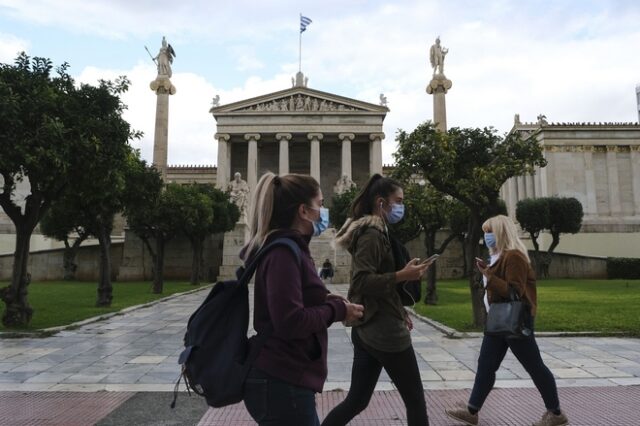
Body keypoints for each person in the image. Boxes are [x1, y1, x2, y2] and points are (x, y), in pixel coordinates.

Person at [241, 172, 364, 426]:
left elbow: (293, 302)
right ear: (303, 211)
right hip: (281, 380)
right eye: (320, 204)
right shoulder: (283, 252)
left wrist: (327, 299)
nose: (323, 210)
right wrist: (336, 311)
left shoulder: (291, 248)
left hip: (284, 378)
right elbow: (290, 321)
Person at [322, 174, 431, 426]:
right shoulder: (372, 234)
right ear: (381, 203)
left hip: (370, 328)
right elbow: (361, 281)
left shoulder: (377, 232)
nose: (402, 206)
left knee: (358, 400)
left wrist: (401, 309)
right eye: (399, 201)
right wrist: (403, 274)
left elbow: (378, 281)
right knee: (415, 399)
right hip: (384, 332)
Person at [445, 215, 569, 426]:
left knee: (534, 366)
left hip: (515, 321)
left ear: (500, 233)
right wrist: (488, 271)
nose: (486, 236)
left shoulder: (514, 257)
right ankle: (472, 411)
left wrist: (489, 277)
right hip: (498, 321)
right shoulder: (500, 257)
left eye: (489, 232)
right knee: (485, 365)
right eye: (485, 232)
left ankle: (555, 413)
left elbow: (514, 292)